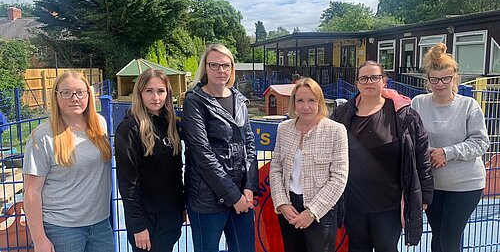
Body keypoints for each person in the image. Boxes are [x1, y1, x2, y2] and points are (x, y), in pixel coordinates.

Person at [331, 60, 434, 251]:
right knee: (357, 247)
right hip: (353, 203)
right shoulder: (342, 114)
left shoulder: (404, 115)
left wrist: (424, 196)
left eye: (375, 77)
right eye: (364, 78)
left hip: (389, 205)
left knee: (386, 246)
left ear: (384, 81)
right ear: (357, 83)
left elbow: (421, 155)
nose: (369, 82)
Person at [411, 43, 489, 252]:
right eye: (434, 79)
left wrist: (447, 152)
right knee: (437, 237)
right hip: (432, 185)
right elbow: (410, 136)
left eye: (446, 78)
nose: (440, 84)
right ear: (428, 80)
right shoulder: (418, 103)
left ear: (455, 78)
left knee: (449, 238)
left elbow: (481, 142)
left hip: (465, 185)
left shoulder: (468, 105)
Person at [23, 71, 113, 252]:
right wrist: (39, 239)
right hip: (62, 229)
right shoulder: (43, 136)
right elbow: (32, 191)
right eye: (66, 92)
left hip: (100, 225)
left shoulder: (100, 125)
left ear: (88, 95)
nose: (74, 98)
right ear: (56, 96)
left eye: (80, 92)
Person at [182, 44, 258, 252]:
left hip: (241, 196)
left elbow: (249, 145)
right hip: (207, 200)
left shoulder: (239, 99)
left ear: (232, 68)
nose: (220, 70)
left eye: (225, 65)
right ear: (205, 67)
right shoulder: (195, 101)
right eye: (214, 65)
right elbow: (203, 155)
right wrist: (234, 197)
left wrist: (249, 187)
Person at [269, 77, 349, 252]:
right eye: (300, 101)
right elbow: (276, 168)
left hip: (321, 211)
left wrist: (312, 211)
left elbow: (339, 178)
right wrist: (282, 203)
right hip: (289, 208)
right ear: (294, 103)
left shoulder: (335, 131)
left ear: (320, 102)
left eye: (311, 100)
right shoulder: (284, 129)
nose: (305, 106)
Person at [115, 69, 184, 252]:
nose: (155, 97)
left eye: (160, 91)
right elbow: (127, 183)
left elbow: (177, 172)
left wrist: (181, 207)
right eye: (149, 91)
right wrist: (137, 225)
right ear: (140, 93)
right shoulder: (129, 129)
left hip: (170, 219)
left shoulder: (172, 125)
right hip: (146, 223)